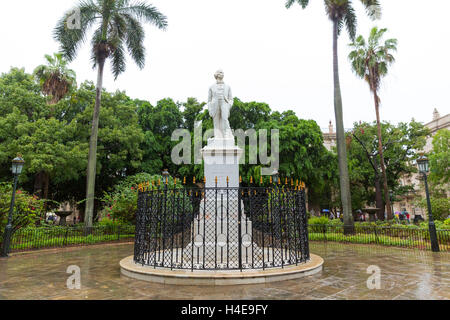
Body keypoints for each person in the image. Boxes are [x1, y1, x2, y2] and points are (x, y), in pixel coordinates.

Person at [208, 70, 233, 139]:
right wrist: (210, 109)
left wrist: (229, 105)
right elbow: (209, 100)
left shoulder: (228, 86)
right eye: (221, 72)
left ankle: (226, 135)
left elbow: (231, 99)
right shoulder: (211, 87)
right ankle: (217, 136)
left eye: (223, 73)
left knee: (225, 119)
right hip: (214, 105)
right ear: (217, 75)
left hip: (224, 104)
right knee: (216, 121)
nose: (222, 74)